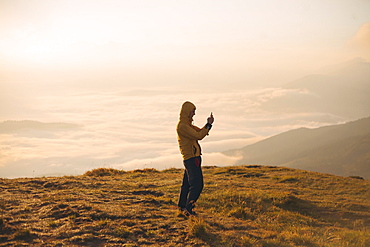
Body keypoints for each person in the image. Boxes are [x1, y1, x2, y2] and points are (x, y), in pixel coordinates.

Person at [176, 101, 214, 216]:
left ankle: (182, 206)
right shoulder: (183, 126)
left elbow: (198, 132)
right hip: (192, 159)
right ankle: (189, 209)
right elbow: (199, 136)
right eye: (193, 111)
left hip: (191, 158)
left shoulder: (187, 125)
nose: (194, 114)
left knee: (187, 184)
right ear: (187, 112)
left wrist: (207, 125)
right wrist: (208, 125)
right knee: (197, 185)